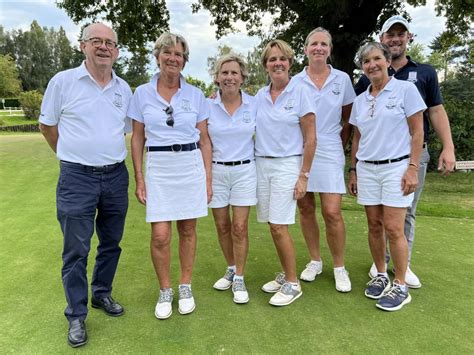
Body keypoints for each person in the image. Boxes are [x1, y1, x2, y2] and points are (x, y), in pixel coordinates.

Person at [39, 23, 132, 347]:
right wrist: (70, 157)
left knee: (111, 243)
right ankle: (77, 316)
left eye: (110, 43)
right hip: (77, 177)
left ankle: (101, 294)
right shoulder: (63, 82)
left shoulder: (124, 89)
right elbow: (47, 126)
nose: (104, 47)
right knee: (76, 250)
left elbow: (125, 130)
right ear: (83, 46)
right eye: (97, 41)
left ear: (117, 51)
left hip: (116, 175)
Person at [355, 15, 456, 288]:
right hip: (372, 161)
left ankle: (402, 268)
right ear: (382, 39)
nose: (396, 38)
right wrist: (352, 167)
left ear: (408, 37)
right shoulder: (365, 82)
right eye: (390, 34)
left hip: (410, 155)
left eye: (401, 34)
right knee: (378, 221)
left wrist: (448, 146)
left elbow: (435, 110)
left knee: (403, 215)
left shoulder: (423, 73)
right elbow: (358, 127)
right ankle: (381, 268)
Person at [127, 32, 212, 320]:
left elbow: (205, 141)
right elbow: (137, 139)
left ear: (184, 60)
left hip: (189, 164)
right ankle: (165, 290)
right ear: (158, 56)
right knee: (161, 234)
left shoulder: (196, 95)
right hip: (159, 166)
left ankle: (185, 286)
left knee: (188, 229)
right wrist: (139, 178)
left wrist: (208, 179)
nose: (173, 58)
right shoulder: (141, 93)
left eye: (178, 54)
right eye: (167, 53)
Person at [348, 42, 426, 311]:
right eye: (366, 61)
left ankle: (401, 284)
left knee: (394, 227)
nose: (372, 64)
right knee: (373, 225)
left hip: (396, 167)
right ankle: (381, 274)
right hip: (367, 168)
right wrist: (354, 169)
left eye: (376, 58)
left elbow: (417, 132)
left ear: (387, 60)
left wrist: (413, 167)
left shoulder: (406, 90)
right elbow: (357, 138)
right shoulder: (360, 100)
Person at [291, 27, 355, 292]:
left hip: (329, 148)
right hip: (300, 149)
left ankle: (339, 267)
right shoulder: (295, 81)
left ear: (329, 50)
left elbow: (349, 118)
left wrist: (339, 145)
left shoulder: (342, 79)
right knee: (306, 208)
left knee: (331, 211)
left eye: (323, 44)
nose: (318, 48)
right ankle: (315, 260)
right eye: (313, 44)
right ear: (305, 49)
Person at [256, 40, 316, 306]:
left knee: (279, 225)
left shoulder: (301, 92)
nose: (277, 63)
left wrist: (303, 175)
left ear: (290, 62)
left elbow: (311, 139)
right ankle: (286, 274)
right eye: (272, 59)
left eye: (282, 58)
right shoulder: (258, 96)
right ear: (266, 65)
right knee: (272, 224)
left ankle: (293, 283)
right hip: (262, 164)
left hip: (287, 165)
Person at [208, 54, 257, 304]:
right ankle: (230, 266)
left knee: (239, 227)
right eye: (224, 73)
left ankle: (239, 276)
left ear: (242, 77)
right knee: (222, 225)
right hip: (216, 171)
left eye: (234, 73)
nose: (229, 77)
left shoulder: (254, 104)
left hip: (245, 171)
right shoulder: (208, 105)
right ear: (217, 78)